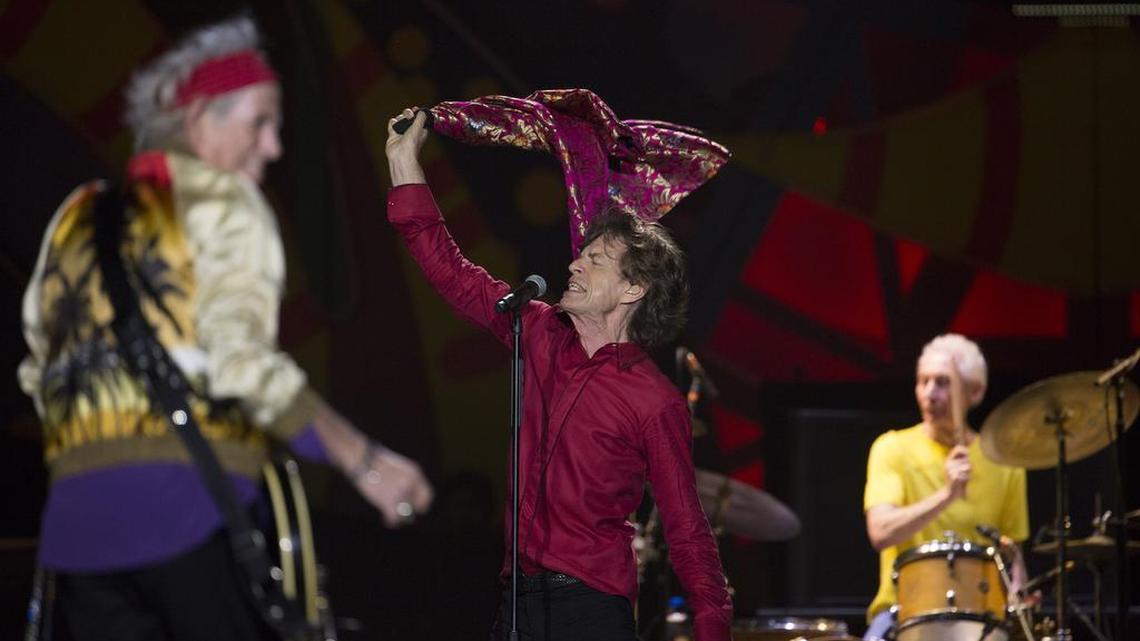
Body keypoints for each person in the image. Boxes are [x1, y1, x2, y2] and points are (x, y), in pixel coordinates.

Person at [18, 16, 432, 641]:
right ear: (200, 118)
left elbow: (38, 369)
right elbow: (240, 364)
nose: (271, 148)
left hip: (78, 536)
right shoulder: (225, 202)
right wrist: (364, 460)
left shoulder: (77, 215)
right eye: (259, 122)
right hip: (189, 515)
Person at [384, 109, 733, 641]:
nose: (574, 265)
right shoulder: (537, 330)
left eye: (595, 260)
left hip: (590, 609)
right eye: (581, 256)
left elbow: (686, 529)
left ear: (633, 289)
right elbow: (450, 271)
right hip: (517, 600)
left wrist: (713, 630)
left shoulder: (653, 401)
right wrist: (403, 161)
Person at [862, 334, 1030, 639]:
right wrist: (947, 495)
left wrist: (1019, 595)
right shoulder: (892, 448)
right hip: (901, 613)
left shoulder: (1004, 461)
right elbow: (881, 532)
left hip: (983, 616)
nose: (929, 393)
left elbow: (1012, 553)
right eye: (922, 381)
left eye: (942, 383)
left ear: (975, 392)